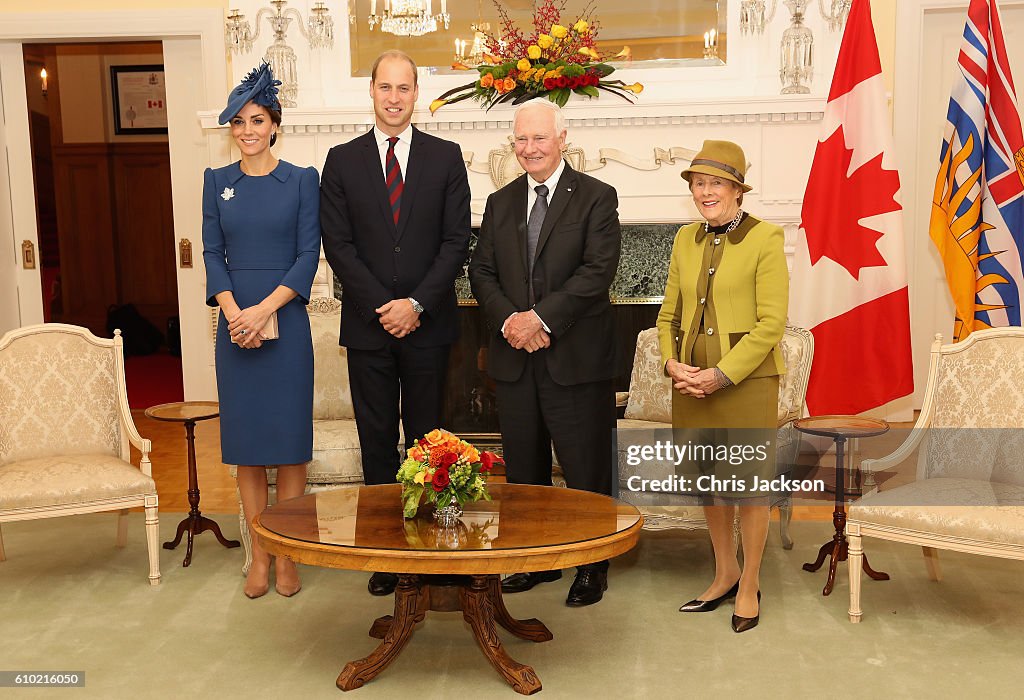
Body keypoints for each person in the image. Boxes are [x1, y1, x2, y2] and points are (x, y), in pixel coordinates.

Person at [320, 50, 471, 597]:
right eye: (385, 87)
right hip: (367, 328)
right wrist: (385, 306)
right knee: (377, 442)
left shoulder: (446, 157)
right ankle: (386, 551)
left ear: (415, 94)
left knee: (430, 441)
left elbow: (457, 241)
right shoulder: (341, 161)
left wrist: (417, 305)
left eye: (403, 88)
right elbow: (337, 244)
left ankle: (434, 547)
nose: (393, 97)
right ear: (372, 92)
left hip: (429, 327)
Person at [469, 100, 621, 607]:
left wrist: (541, 319)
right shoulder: (500, 201)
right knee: (525, 474)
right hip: (516, 360)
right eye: (520, 140)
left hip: (574, 361)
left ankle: (590, 566)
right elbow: (481, 273)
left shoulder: (597, 198)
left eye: (539, 139)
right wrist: (512, 321)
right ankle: (534, 560)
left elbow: (596, 273)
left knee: (584, 470)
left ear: (562, 139)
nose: (529, 149)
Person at [656, 140, 788, 633]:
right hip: (690, 384)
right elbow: (668, 314)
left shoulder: (766, 238)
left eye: (716, 183)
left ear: (736, 189)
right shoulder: (684, 239)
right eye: (698, 183)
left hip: (746, 384)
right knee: (710, 484)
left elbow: (771, 324)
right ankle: (724, 571)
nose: (705, 192)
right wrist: (673, 364)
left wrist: (721, 374)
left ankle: (749, 583)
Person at [202, 62, 321, 599]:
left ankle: (287, 555)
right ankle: (259, 556)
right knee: (248, 446)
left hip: (285, 321)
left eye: (257, 120)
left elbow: (307, 255)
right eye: (238, 122)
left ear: (275, 124)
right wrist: (233, 313)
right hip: (234, 327)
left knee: (289, 446)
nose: (247, 130)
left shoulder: (301, 180)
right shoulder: (216, 183)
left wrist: (264, 310)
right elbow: (211, 253)